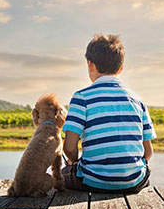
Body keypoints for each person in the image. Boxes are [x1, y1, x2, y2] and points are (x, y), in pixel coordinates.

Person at [61, 34, 156, 194]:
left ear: (90, 64)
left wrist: (75, 162)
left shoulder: (81, 97)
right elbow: (148, 153)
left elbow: (69, 148)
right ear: (120, 68)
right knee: (144, 171)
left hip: (92, 181)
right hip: (135, 182)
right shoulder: (137, 100)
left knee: (65, 173)